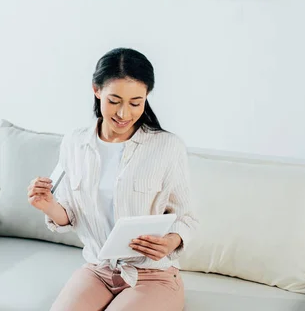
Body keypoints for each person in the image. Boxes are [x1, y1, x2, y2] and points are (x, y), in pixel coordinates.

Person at [27, 48, 198, 311]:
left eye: (135, 102)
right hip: (98, 270)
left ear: (146, 97)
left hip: (154, 276)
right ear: (97, 90)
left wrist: (170, 242)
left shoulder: (167, 146)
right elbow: (68, 216)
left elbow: (187, 217)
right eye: (114, 100)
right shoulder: (75, 143)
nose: (123, 114)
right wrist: (47, 204)